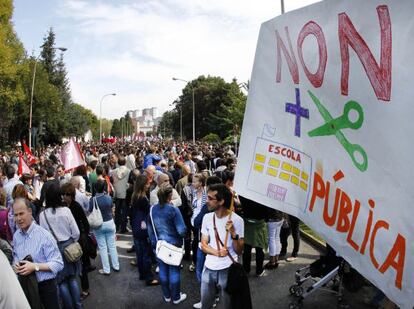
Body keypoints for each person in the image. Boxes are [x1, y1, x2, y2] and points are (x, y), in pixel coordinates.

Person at [12, 198, 64, 309]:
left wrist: (35, 267)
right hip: (26, 287)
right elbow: (16, 255)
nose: (19, 218)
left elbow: (58, 263)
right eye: (16, 215)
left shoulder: (44, 235)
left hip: (46, 289)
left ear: (30, 212)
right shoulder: (16, 236)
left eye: (21, 213)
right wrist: (15, 264)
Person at [200, 183, 244, 309]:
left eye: (210, 198)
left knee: (228, 305)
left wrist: (233, 233)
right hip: (208, 268)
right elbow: (203, 245)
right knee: (206, 304)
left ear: (221, 201)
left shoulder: (237, 220)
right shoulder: (207, 218)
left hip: (228, 269)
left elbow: (239, 250)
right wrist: (217, 253)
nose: (206, 201)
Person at [39, 183, 83, 309]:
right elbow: (76, 232)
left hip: (54, 250)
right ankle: (78, 306)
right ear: (59, 196)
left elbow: (44, 237)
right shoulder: (66, 211)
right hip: (69, 247)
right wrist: (71, 242)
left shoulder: (43, 215)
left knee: (61, 282)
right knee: (73, 279)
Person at [148, 185, 187, 305]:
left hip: (160, 244)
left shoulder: (152, 209)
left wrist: (154, 242)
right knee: (174, 271)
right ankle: (176, 297)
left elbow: (150, 229)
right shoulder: (173, 210)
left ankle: (167, 295)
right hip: (174, 244)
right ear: (170, 196)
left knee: (163, 271)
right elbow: (181, 230)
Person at [61, 182, 92, 300]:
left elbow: (85, 223)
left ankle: (85, 290)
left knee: (82, 267)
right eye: (63, 194)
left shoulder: (76, 206)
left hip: (79, 241)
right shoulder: (62, 206)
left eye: (67, 194)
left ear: (72, 195)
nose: (64, 196)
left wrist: (82, 236)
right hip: (68, 241)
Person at [130, 174, 159, 286]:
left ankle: (143, 274)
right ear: (143, 185)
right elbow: (149, 213)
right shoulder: (142, 198)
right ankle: (148, 277)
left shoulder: (134, 195)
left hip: (136, 228)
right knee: (146, 254)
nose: (149, 185)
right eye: (147, 183)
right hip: (143, 229)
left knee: (140, 253)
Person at [89, 180, 120, 275]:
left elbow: (90, 210)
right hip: (110, 223)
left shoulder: (92, 200)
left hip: (99, 225)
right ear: (104, 188)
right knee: (112, 246)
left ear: (95, 188)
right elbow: (111, 208)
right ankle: (116, 266)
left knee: (102, 247)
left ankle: (106, 269)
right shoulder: (109, 198)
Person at [112, 156, 131, 233]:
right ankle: (123, 227)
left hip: (117, 192)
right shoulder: (128, 171)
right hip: (125, 193)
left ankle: (117, 226)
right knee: (124, 211)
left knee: (117, 211)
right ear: (125, 162)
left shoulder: (114, 171)